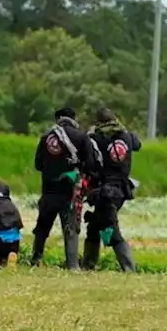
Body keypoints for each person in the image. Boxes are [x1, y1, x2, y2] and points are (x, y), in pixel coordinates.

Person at [28, 107, 98, 269]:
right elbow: (90, 164)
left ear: (58, 118)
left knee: (42, 229)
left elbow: (38, 164)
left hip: (48, 190)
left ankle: (36, 260)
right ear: (74, 118)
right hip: (70, 192)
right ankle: (72, 265)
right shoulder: (80, 137)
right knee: (71, 229)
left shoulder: (46, 137)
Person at [82, 106, 141, 272]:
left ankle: (129, 269)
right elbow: (137, 144)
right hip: (122, 190)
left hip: (106, 191)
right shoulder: (128, 136)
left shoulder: (98, 138)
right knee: (94, 225)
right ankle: (88, 264)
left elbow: (88, 150)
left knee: (111, 230)